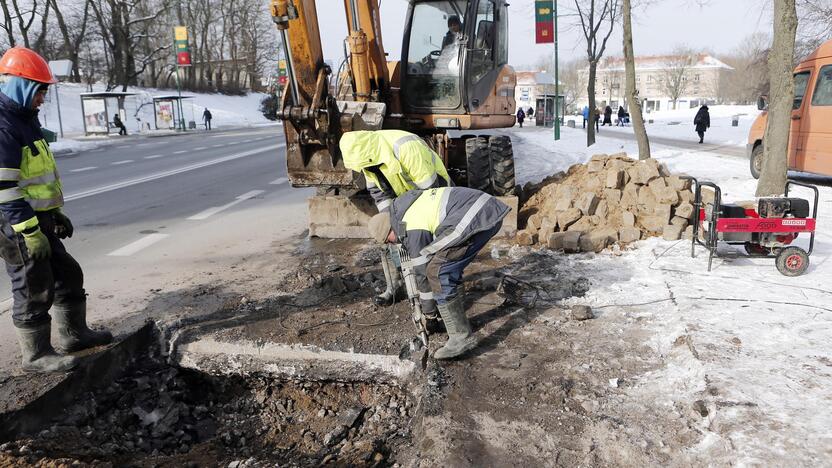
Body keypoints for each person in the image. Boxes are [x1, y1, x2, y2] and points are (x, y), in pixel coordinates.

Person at [0, 47, 113, 373]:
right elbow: (5, 190)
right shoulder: (5, 127)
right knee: (33, 285)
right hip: (14, 224)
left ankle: (73, 336)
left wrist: (54, 213)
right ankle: (35, 356)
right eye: (40, 90)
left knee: (67, 274)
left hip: (37, 219)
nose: (43, 98)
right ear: (21, 85)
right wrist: (30, 230)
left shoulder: (24, 120)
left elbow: (37, 178)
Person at [367, 186, 510, 359]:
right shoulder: (403, 211)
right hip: (484, 211)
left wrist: (429, 315)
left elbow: (423, 274)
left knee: (437, 271)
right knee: (448, 264)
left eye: (387, 240)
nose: (391, 244)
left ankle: (460, 337)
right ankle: (456, 321)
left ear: (389, 230)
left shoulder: (411, 228)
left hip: (477, 217)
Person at [340, 130, 452, 317]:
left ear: (369, 153)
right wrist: (390, 222)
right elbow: (379, 194)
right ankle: (396, 286)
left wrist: (409, 224)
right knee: (387, 239)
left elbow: (429, 190)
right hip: (405, 201)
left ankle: (440, 298)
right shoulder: (368, 162)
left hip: (436, 197)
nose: (362, 170)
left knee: (429, 249)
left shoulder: (406, 148)